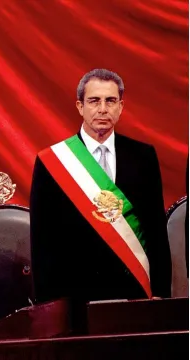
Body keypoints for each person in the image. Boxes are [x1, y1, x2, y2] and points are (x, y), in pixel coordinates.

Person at [30, 68, 171, 304]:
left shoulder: (143, 156)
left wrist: (160, 291)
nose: (103, 109)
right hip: (75, 293)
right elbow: (42, 241)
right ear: (80, 106)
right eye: (94, 101)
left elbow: (156, 230)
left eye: (111, 101)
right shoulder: (52, 161)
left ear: (121, 107)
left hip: (133, 289)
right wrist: (49, 305)